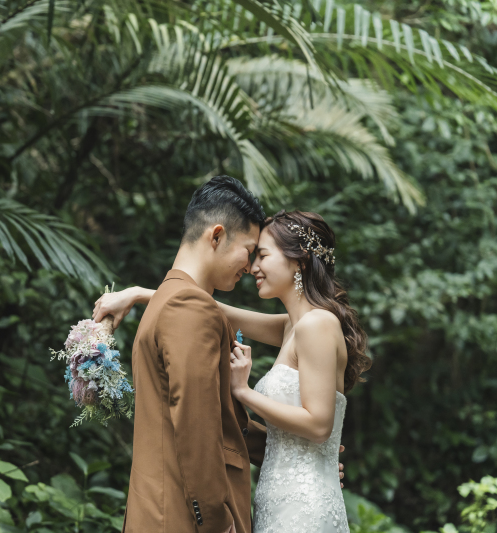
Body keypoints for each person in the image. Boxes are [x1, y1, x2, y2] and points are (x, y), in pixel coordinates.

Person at [95, 205, 358, 532]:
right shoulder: (292, 327)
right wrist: (137, 294)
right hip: (277, 498)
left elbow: (319, 426)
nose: (252, 267)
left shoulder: (316, 324)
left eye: (261, 255)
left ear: (299, 260)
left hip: (301, 506)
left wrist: (243, 392)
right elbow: (210, 308)